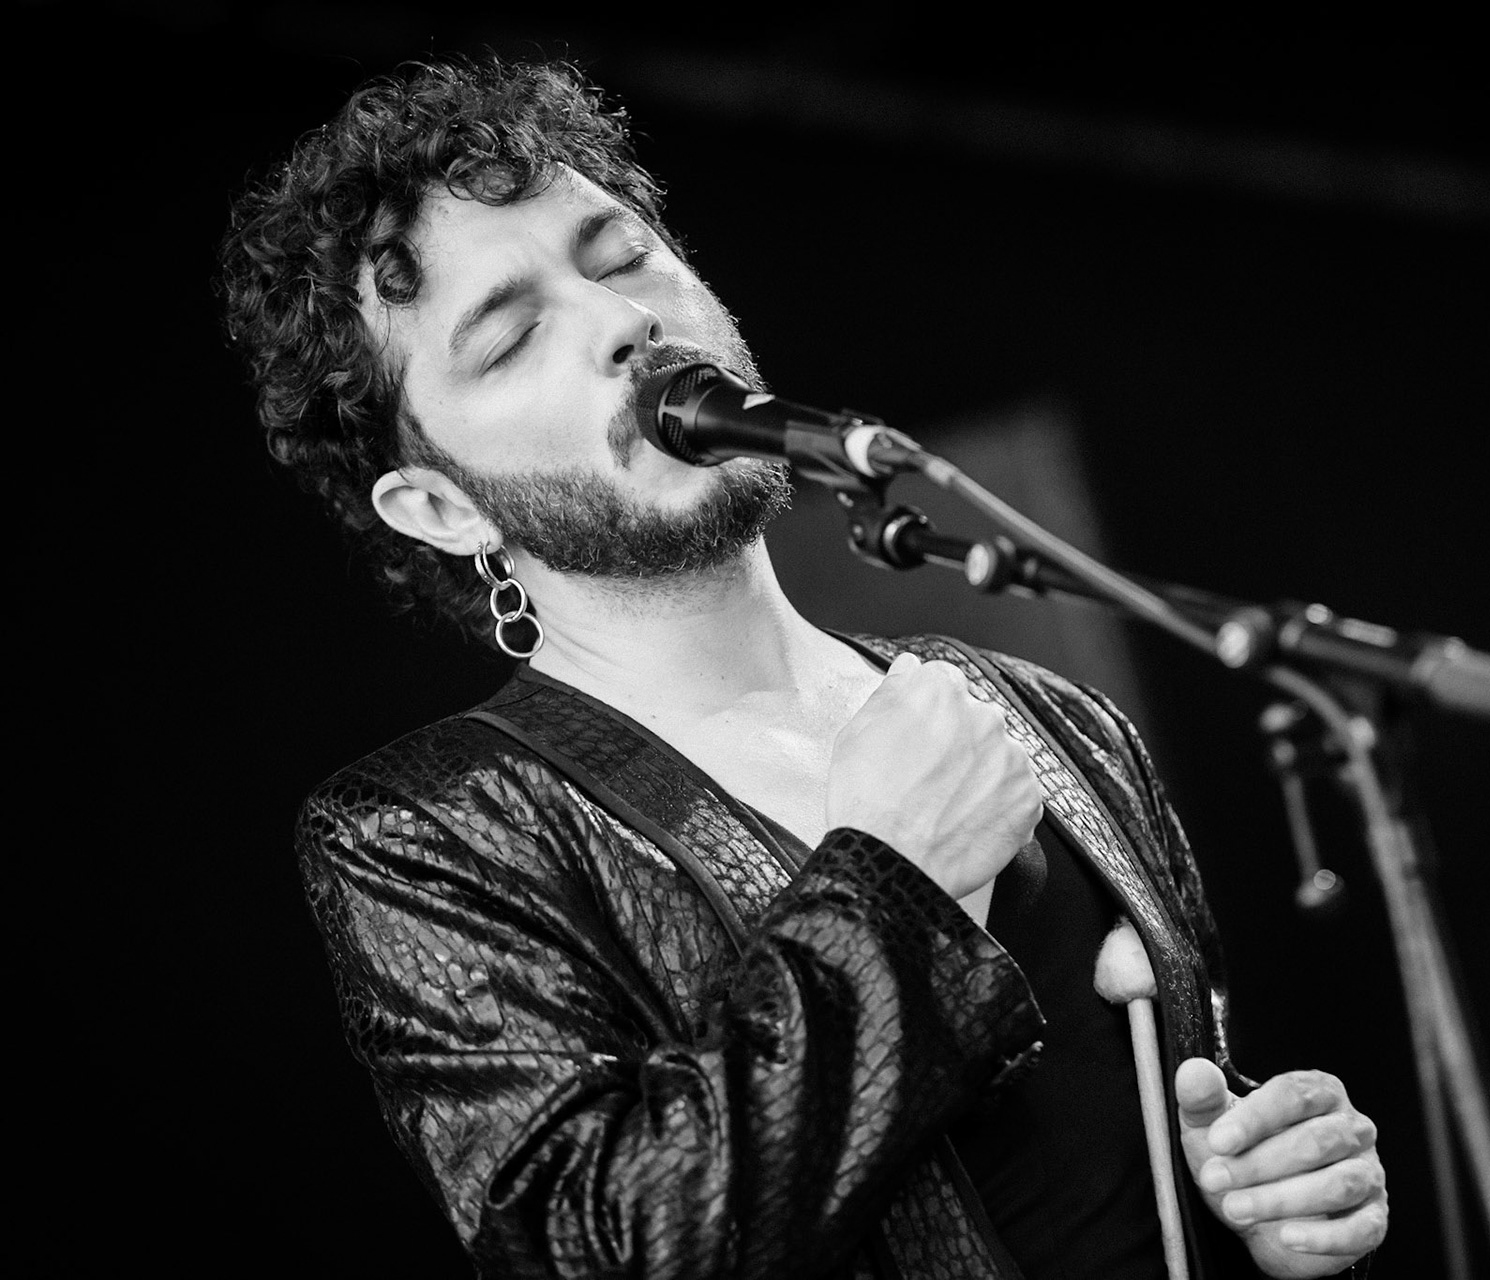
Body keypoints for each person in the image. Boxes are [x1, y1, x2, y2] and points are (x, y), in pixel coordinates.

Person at [221, 56, 1388, 1280]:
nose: (625, 322)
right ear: (441, 505)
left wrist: (1265, 1198)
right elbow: (605, 1251)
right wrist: (892, 890)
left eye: (623, 258)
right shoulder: (428, 833)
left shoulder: (1049, 714)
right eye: (511, 338)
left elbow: (1135, 1147)